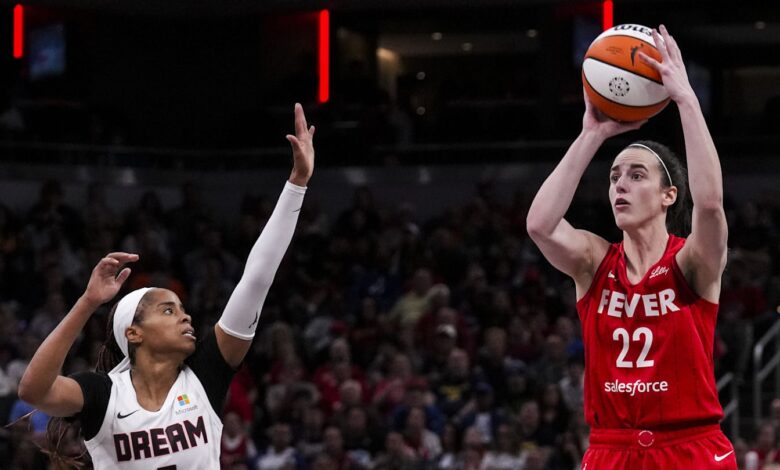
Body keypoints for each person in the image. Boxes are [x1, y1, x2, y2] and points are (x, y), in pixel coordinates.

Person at [17, 103, 316, 468]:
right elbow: (34, 390)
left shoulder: (206, 375)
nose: (186, 317)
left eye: (183, 308)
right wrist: (87, 301)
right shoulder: (104, 394)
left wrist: (297, 183)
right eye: (169, 309)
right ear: (135, 333)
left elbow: (257, 278)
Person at [526, 25, 736, 468]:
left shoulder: (693, 262)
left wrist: (686, 100)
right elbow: (540, 226)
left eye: (636, 175)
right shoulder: (594, 261)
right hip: (611, 448)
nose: (620, 184)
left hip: (690, 446)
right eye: (614, 177)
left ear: (669, 195)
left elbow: (712, 204)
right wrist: (592, 135)